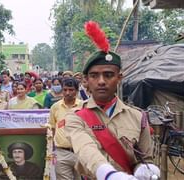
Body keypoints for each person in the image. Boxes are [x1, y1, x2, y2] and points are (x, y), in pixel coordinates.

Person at [64, 21, 160, 180]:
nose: (101, 81)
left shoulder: (138, 117)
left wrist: (143, 169)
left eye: (108, 75)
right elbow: (85, 148)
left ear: (119, 78)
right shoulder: (75, 117)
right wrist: (108, 174)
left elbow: (144, 158)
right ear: (86, 80)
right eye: (94, 76)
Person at [49, 78, 82, 180]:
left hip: (81, 152)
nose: (68, 93)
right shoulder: (55, 107)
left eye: (71, 90)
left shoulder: (84, 106)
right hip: (61, 153)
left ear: (76, 91)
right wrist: (53, 150)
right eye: (65, 90)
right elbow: (52, 128)